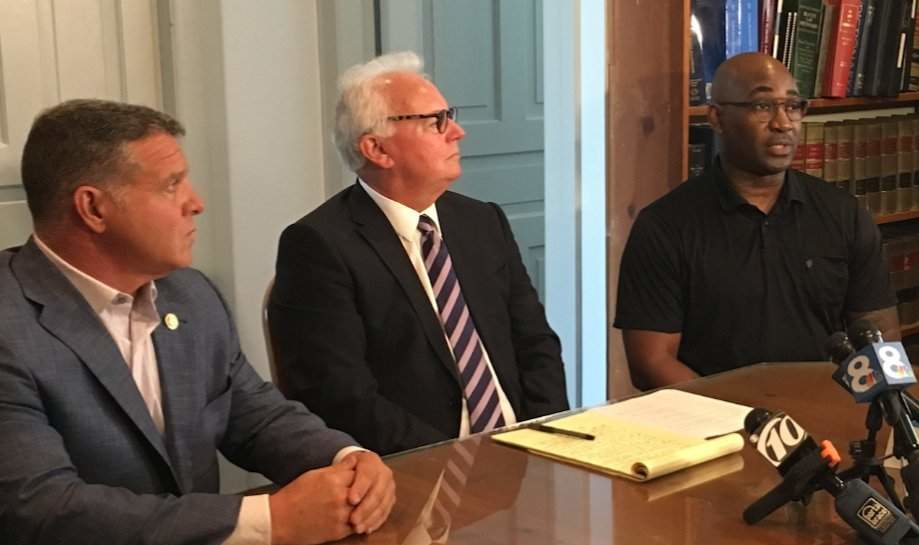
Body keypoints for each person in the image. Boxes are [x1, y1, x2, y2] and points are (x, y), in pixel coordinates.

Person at [0, 99, 395, 545]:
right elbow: (41, 508)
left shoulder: (190, 294)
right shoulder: (9, 325)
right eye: (171, 186)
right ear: (93, 208)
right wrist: (271, 519)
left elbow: (254, 415)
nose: (197, 203)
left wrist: (347, 459)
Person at [269, 51, 568, 455]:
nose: (457, 132)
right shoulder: (319, 247)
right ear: (377, 149)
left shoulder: (481, 221)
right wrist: (456, 464)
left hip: (524, 452)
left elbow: (536, 345)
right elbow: (340, 397)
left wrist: (544, 439)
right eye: (436, 122)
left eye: (450, 115)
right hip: (419, 467)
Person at [615, 52, 899, 390]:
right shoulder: (664, 227)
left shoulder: (844, 214)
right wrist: (743, 419)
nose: (783, 123)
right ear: (717, 119)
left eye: (793, 106)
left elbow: (880, 335)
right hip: (715, 424)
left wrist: (870, 416)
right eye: (763, 106)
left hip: (827, 416)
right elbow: (651, 363)